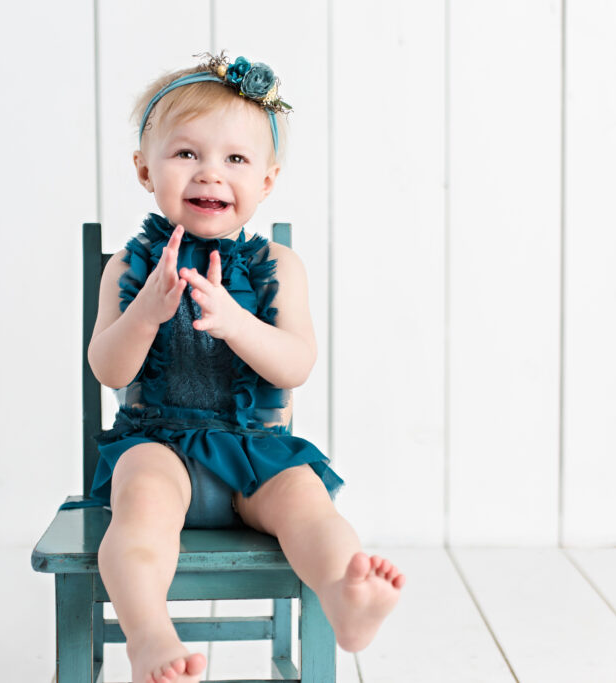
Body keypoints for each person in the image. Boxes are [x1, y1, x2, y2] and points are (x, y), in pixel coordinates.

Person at [85, 52, 405, 682]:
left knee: (311, 507)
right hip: (158, 444)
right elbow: (110, 370)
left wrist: (237, 322)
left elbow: (296, 365)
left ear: (266, 180)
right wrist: (144, 314)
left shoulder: (281, 268)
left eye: (235, 159)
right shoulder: (128, 266)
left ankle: (347, 596)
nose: (211, 173)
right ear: (144, 169)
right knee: (141, 511)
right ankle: (149, 636)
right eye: (186, 154)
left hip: (256, 452)